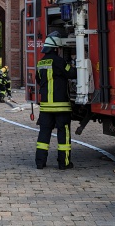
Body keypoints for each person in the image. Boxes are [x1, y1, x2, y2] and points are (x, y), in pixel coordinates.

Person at [35, 34, 77, 170]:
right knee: (63, 135)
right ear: (56, 49)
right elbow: (71, 73)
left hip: (46, 107)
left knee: (43, 134)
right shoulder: (59, 62)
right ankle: (63, 163)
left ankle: (40, 163)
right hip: (61, 106)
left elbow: (38, 80)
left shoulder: (40, 63)